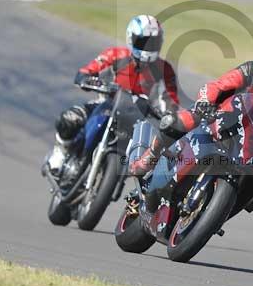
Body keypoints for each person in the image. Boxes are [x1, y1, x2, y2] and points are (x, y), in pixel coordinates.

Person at [130, 31, 253, 214]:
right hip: (224, 117)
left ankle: (220, 213)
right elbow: (219, 86)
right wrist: (205, 102)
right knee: (178, 121)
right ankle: (149, 158)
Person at [43, 14, 179, 180]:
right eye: (143, 42)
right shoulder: (116, 54)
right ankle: (61, 151)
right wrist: (87, 78)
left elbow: (171, 100)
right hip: (107, 103)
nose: (148, 47)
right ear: (131, 38)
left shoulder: (165, 69)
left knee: (155, 155)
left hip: (140, 118)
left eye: (153, 43)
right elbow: (87, 71)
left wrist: (170, 115)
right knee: (70, 118)